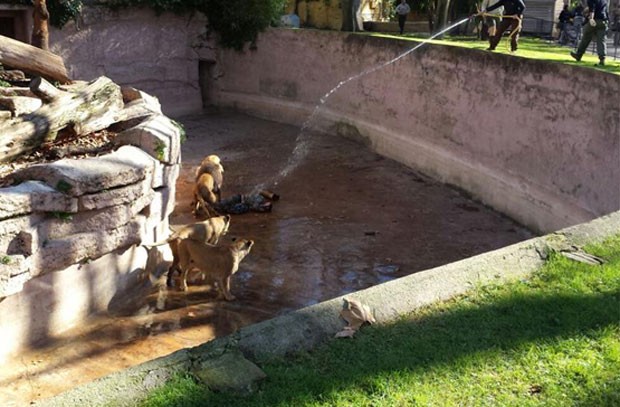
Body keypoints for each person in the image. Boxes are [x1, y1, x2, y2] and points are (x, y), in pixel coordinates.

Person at [570, 0, 609, 66]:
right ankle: (602, 59)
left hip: (595, 20)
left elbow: (592, 9)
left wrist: (591, 18)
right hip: (603, 20)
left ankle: (578, 54)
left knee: (586, 37)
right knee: (601, 40)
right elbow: (605, 10)